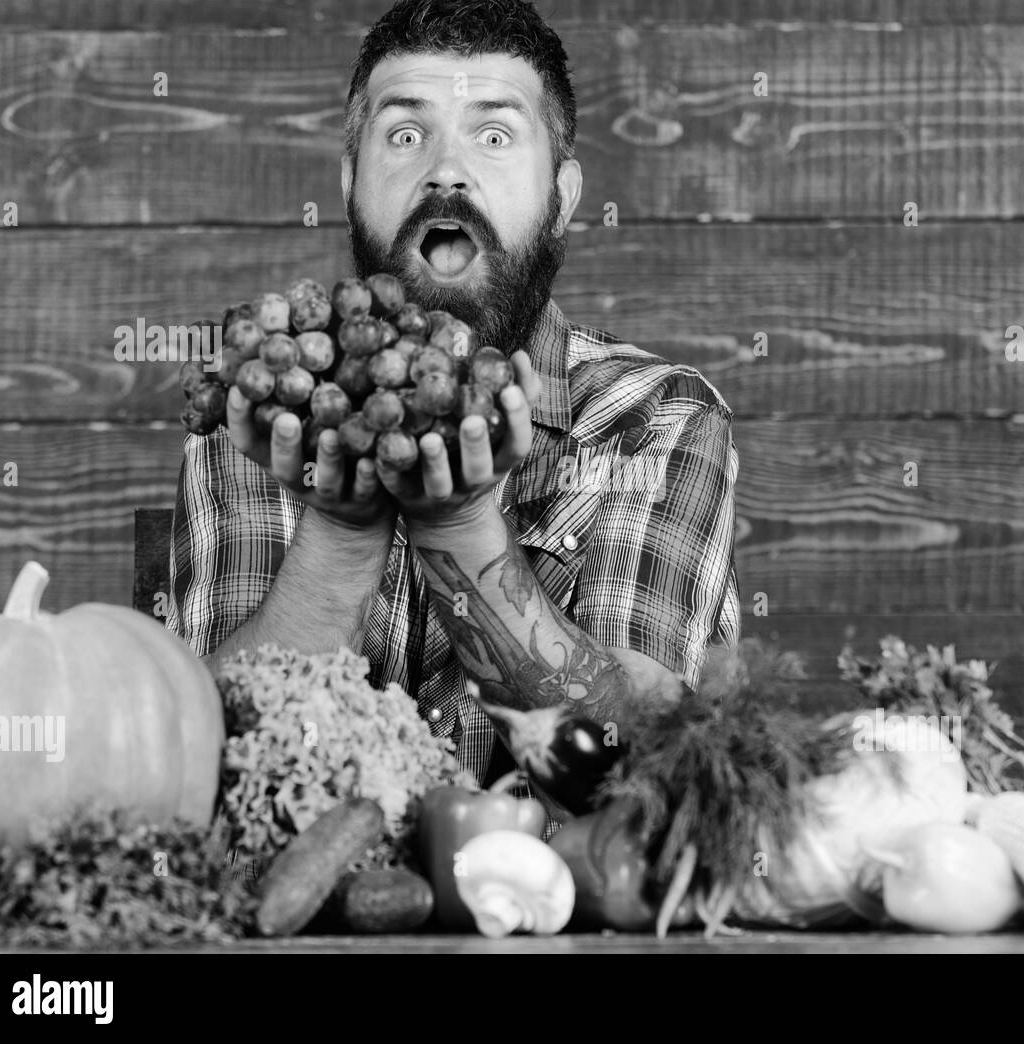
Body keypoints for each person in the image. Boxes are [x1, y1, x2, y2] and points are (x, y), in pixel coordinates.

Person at [168, 0, 739, 811]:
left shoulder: (659, 420)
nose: (446, 170)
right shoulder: (259, 423)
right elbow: (190, 778)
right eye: (405, 135)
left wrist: (459, 524)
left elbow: (651, 786)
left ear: (564, 194)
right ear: (348, 182)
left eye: (495, 135)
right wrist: (338, 528)